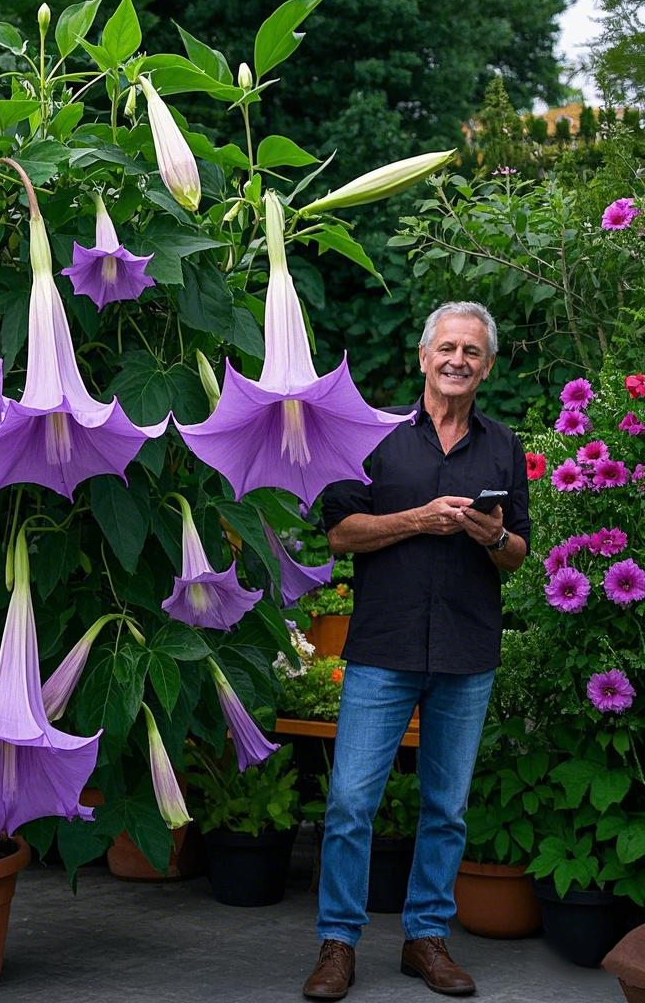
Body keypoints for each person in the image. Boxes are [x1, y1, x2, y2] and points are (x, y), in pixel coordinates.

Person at [302, 302, 531, 1000]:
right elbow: (339, 533)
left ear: (486, 366)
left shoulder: (504, 447)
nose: (458, 359)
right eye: (448, 347)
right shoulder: (372, 436)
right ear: (424, 356)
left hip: (466, 650)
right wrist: (418, 520)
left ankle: (426, 939)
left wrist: (489, 536)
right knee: (348, 803)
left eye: (472, 350)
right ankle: (338, 945)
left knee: (447, 808)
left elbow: (518, 553)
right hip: (385, 648)